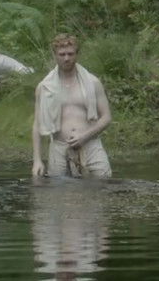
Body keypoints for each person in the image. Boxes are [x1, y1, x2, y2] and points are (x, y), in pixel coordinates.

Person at [31, 34, 113, 178]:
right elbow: (37, 124)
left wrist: (85, 136)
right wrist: (37, 160)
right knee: (60, 190)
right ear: (55, 55)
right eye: (62, 54)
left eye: (70, 54)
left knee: (102, 185)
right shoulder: (44, 87)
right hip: (59, 147)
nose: (66, 58)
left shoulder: (93, 82)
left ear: (77, 54)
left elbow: (106, 117)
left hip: (91, 144)